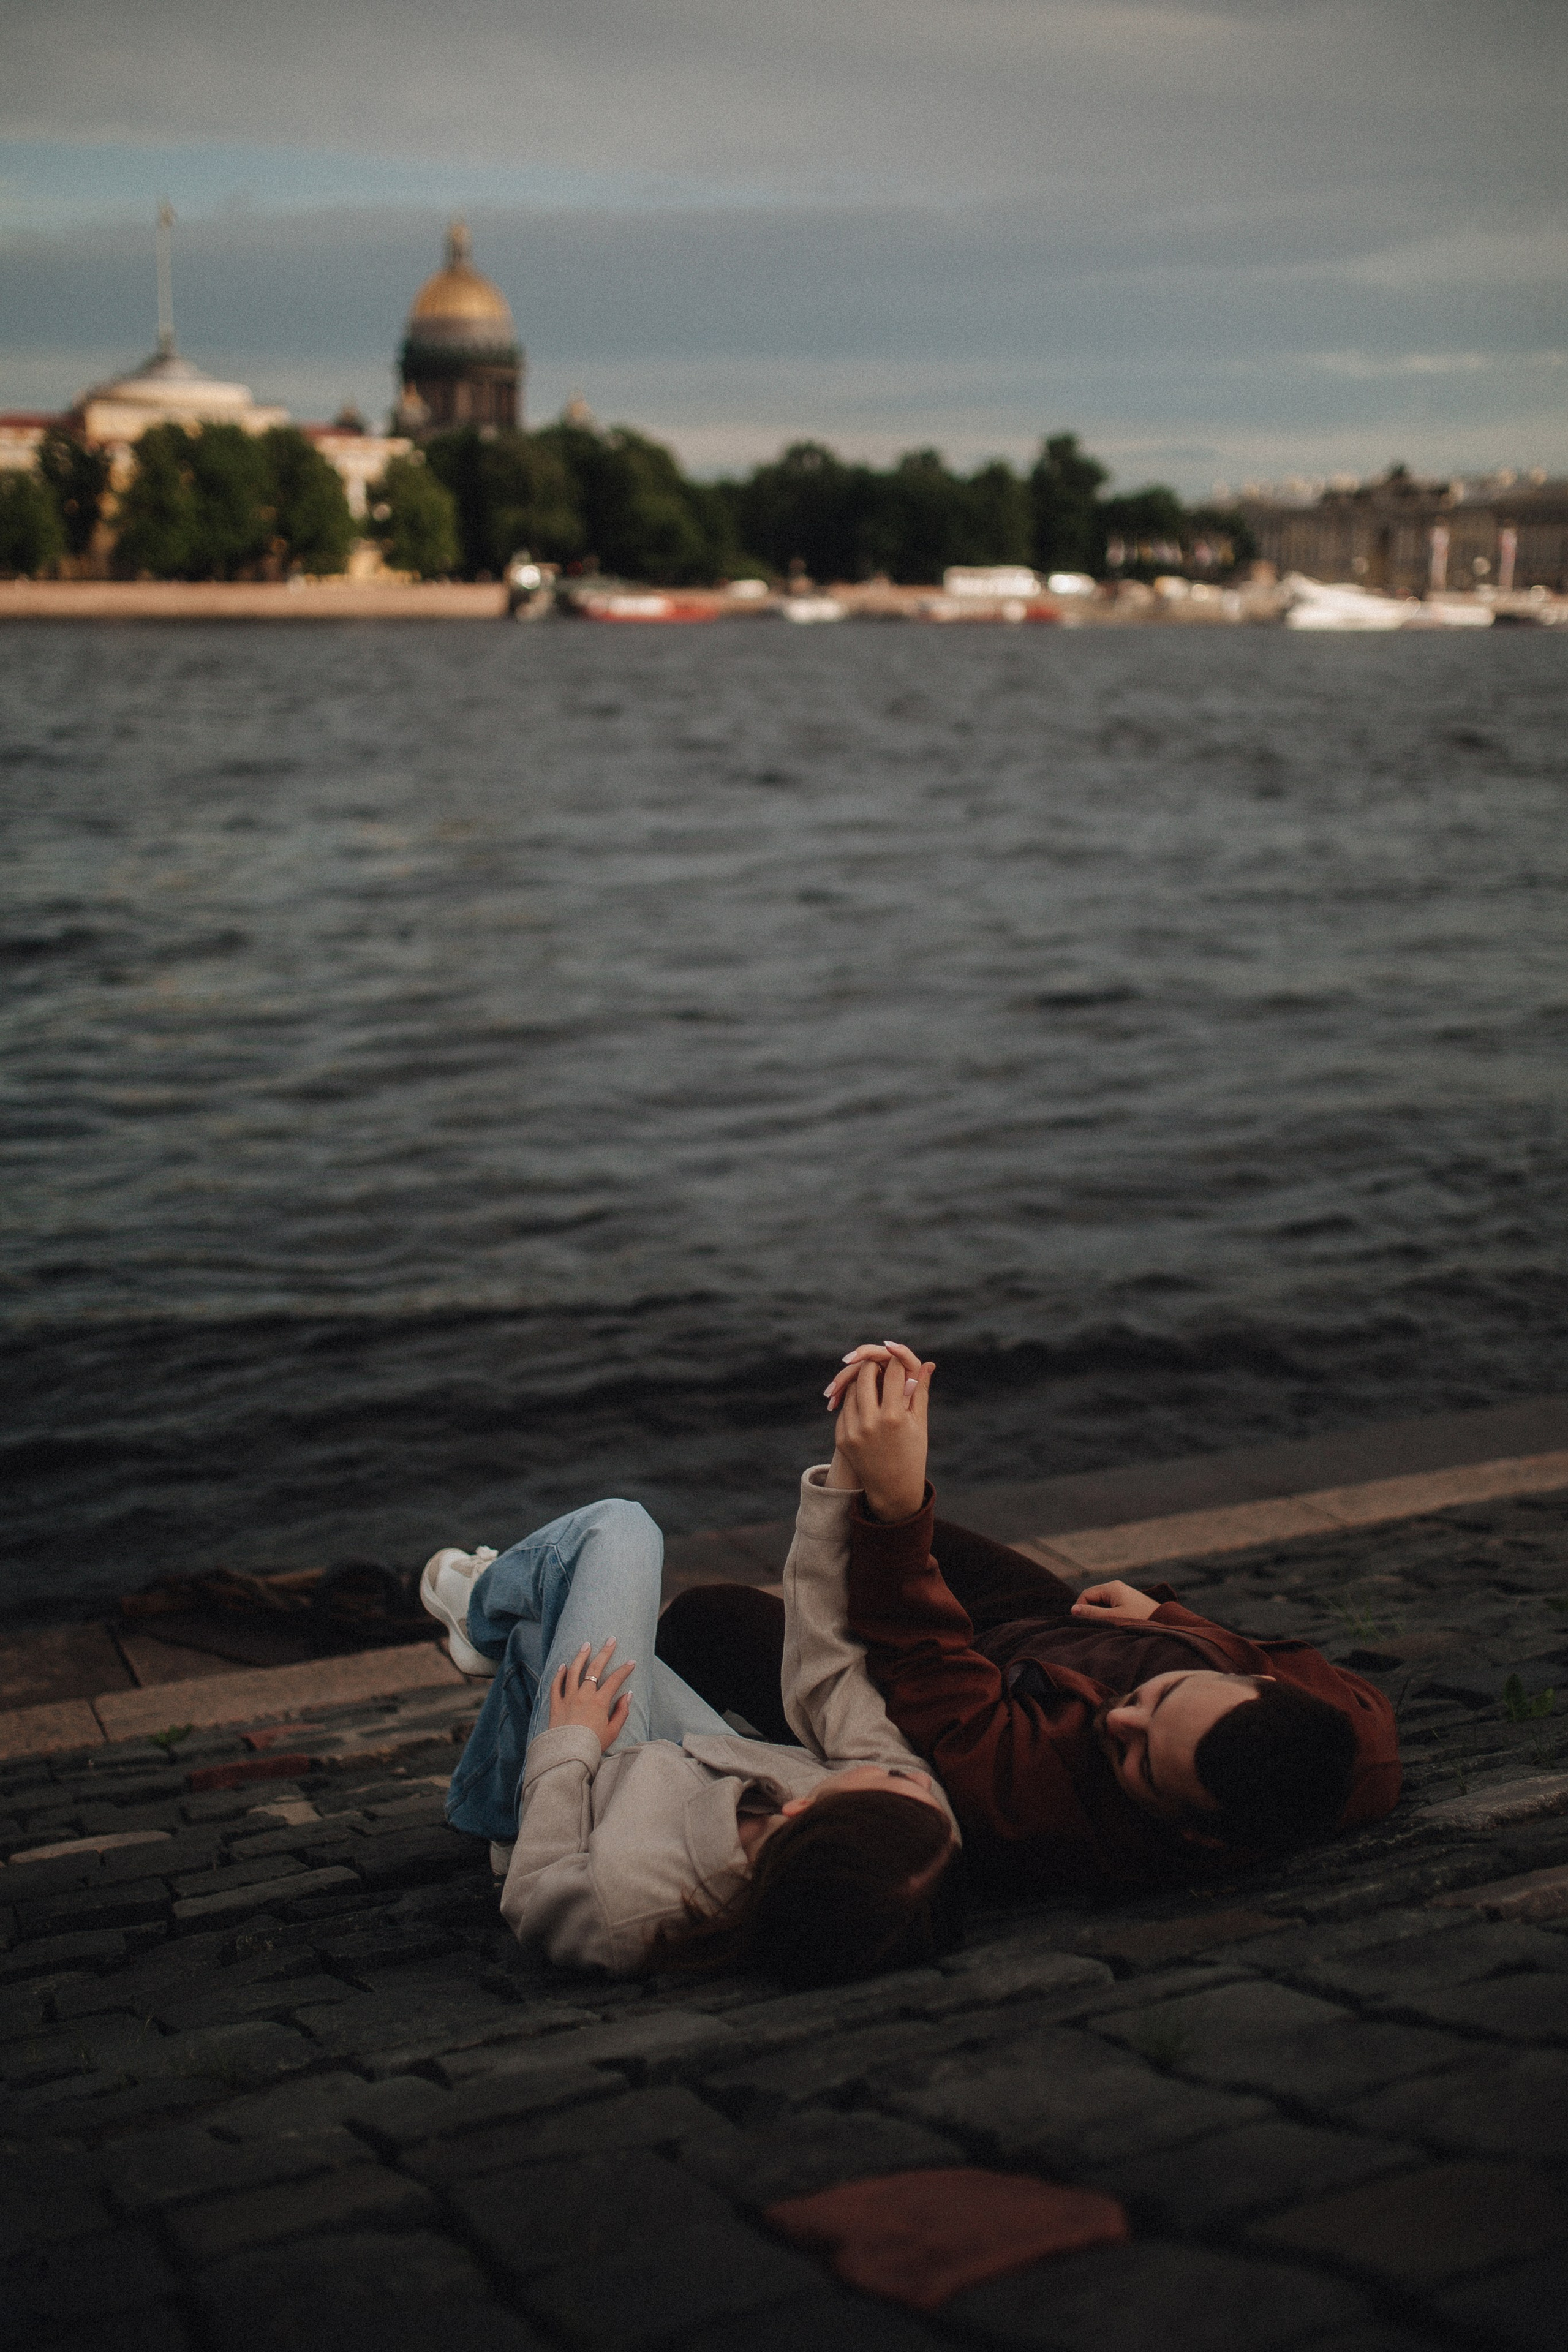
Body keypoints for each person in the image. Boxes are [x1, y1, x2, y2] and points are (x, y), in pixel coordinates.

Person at [657, 1343, 1401, 1899]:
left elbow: (925, 1667)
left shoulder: (1044, 1809)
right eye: (1162, 1695)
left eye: (1140, 1761)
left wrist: (895, 1502)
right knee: (895, 1539)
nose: (1120, 1722)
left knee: (709, 1617)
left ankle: (638, 1748)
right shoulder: (1352, 1737)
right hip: (1047, 1635)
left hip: (957, 1691)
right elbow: (1268, 1659)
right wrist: (1169, 1620)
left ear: (1192, 1830)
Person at [419, 1458, 963, 1985]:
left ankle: (478, 1614)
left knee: (621, 1530)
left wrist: (569, 1748)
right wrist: (843, 1478)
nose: (916, 1772)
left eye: (897, 1778)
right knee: (539, 1640)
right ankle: (489, 1796)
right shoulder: (912, 1841)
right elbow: (832, 1668)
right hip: (692, 1756)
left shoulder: (624, 1909)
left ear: (800, 1810)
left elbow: (531, 1896)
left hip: (596, 1783)